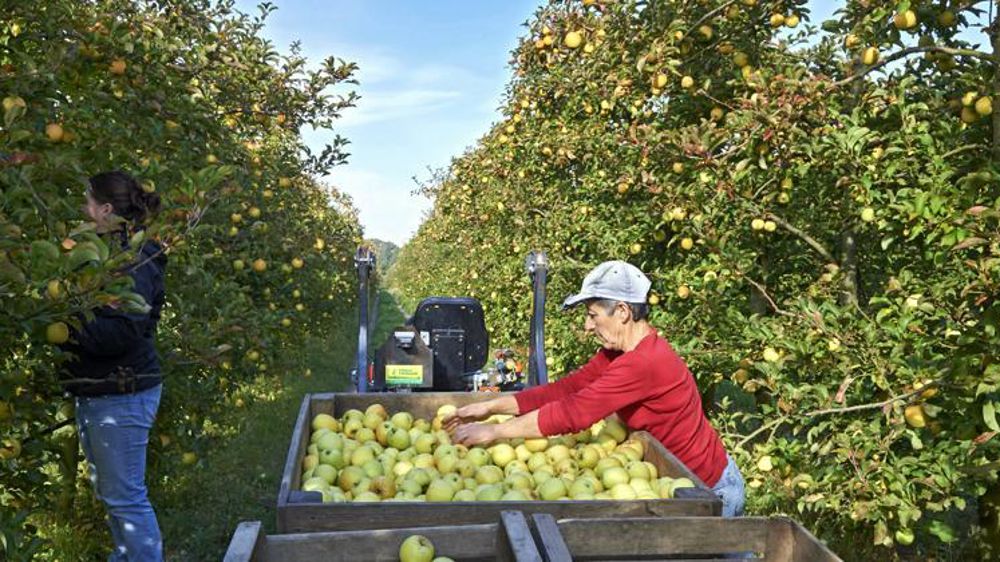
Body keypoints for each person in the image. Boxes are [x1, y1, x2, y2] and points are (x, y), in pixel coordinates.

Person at [446, 260, 746, 517]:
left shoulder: (644, 362)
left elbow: (574, 412)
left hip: (707, 489)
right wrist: (490, 406)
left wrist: (495, 431)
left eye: (593, 315)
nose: (588, 326)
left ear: (622, 312)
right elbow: (566, 390)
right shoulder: (619, 353)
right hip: (671, 482)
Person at [61, 170, 166, 561]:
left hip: (122, 392)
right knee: (115, 495)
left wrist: (68, 324)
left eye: (88, 200)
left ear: (105, 209)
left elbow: (122, 331)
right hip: (107, 390)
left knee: (126, 499)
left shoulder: (132, 259)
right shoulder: (107, 256)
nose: (83, 208)